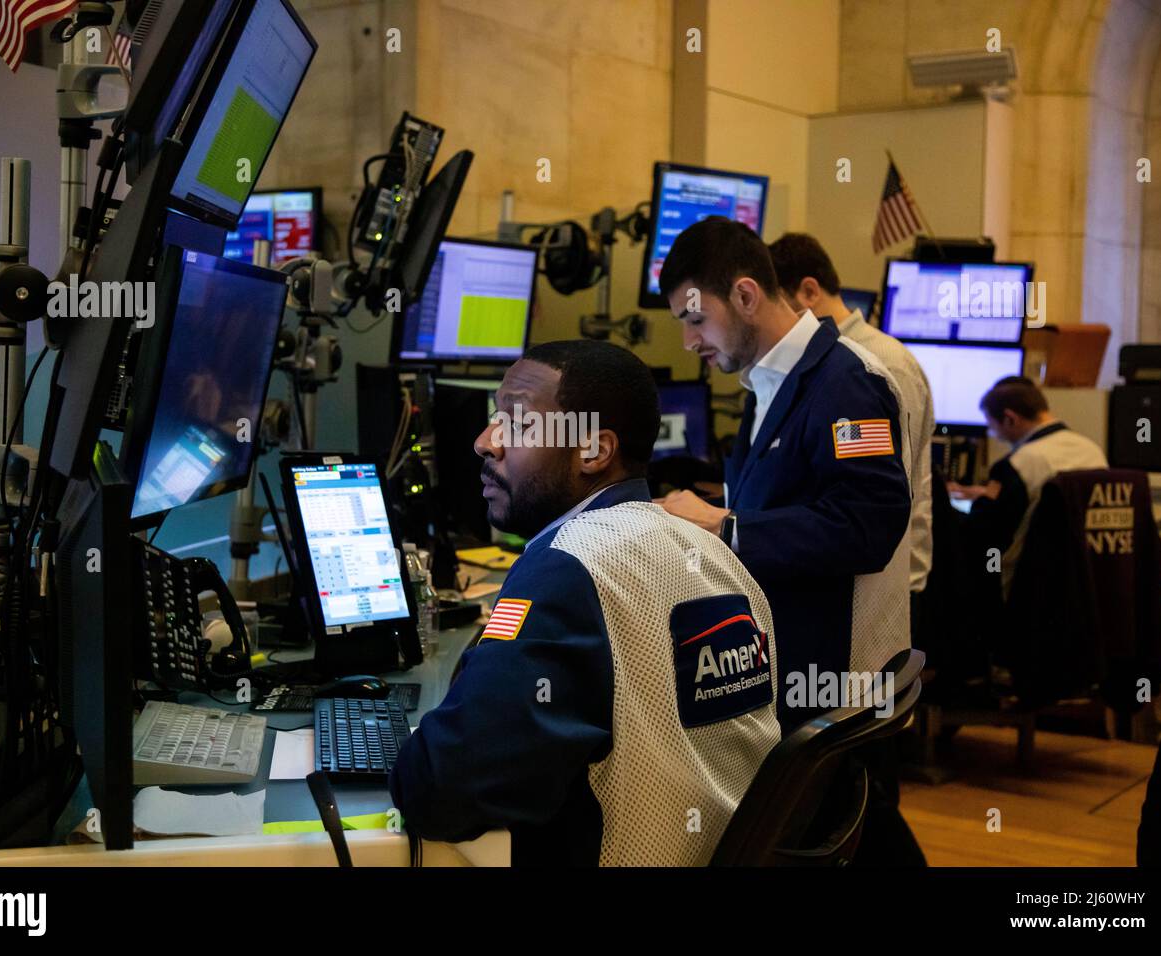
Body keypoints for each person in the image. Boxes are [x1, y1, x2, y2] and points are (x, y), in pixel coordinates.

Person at [390, 339, 782, 866]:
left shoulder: (569, 566)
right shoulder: (715, 554)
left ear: (594, 452)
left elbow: (440, 791)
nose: (486, 442)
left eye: (518, 423)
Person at [655, 217, 912, 735]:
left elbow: (869, 525)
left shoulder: (848, 383)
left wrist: (727, 528)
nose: (687, 340)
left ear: (745, 296)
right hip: (783, 666)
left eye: (695, 319)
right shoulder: (765, 382)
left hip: (835, 684)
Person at [768, 233, 935, 621]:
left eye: (779, 304)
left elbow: (881, 493)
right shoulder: (829, 362)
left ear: (809, 291)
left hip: (884, 586)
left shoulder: (876, 363)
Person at [950, 375, 1107, 594]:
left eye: (993, 427)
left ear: (1010, 419)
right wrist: (988, 494)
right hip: (1083, 578)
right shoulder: (1091, 450)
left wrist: (943, 506)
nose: (995, 435)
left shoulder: (1017, 465)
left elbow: (983, 531)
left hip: (1023, 585)